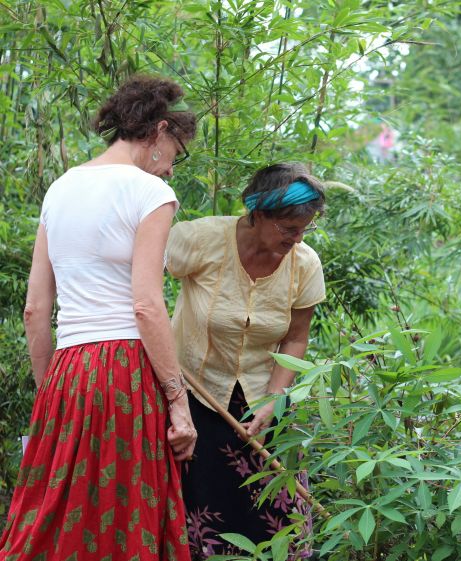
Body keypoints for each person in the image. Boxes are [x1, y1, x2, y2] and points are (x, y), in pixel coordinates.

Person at [0, 75, 198, 559]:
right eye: (176, 151)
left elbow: (35, 310)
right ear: (160, 131)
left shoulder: (60, 189)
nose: (172, 167)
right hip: (126, 371)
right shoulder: (150, 193)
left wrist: (51, 394)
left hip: (68, 371)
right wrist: (177, 400)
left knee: (58, 514)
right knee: (125, 513)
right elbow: (147, 305)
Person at [165, 163, 326, 559]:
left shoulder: (305, 264)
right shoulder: (199, 239)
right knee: (204, 512)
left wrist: (274, 399)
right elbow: (139, 279)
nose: (298, 238)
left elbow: (295, 337)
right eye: (289, 228)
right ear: (258, 214)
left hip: (264, 399)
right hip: (194, 399)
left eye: (305, 228)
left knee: (278, 513)